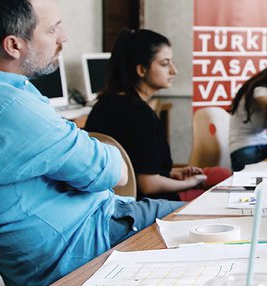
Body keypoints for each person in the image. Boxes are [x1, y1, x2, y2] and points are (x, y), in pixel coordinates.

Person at [0, 0, 184, 286]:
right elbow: (115, 170)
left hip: (87, 233)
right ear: (13, 45)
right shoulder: (8, 108)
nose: (63, 36)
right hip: (84, 252)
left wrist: (71, 164)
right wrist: (75, 167)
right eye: (52, 29)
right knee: (215, 222)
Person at [83, 29, 230, 201]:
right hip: (143, 200)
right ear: (141, 70)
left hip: (111, 195)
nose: (173, 70)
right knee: (223, 191)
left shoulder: (105, 104)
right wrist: (190, 182)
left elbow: (137, 165)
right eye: (165, 63)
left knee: (220, 174)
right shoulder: (140, 114)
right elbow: (149, 185)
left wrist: (173, 173)